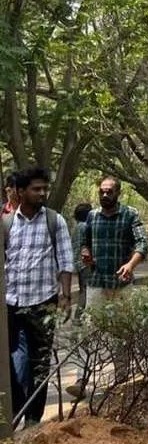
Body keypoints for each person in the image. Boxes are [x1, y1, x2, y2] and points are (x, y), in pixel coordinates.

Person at [4, 167, 74, 429]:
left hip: (43, 303)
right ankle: (14, 412)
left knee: (40, 362)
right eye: (36, 189)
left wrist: (65, 296)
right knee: (12, 362)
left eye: (45, 188)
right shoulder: (7, 224)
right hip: (11, 304)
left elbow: (66, 260)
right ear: (21, 191)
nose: (42, 193)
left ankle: (33, 420)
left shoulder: (55, 221)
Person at [72, 177, 148, 397]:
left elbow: (143, 243)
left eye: (109, 192)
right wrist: (86, 253)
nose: (105, 195)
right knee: (89, 331)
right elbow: (84, 243)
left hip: (121, 284)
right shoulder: (92, 216)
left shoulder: (130, 214)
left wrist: (130, 265)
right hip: (97, 283)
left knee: (121, 332)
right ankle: (81, 379)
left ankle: (122, 378)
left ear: (118, 193)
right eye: (102, 192)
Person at [71, 203, 92, 318]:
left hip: (78, 263)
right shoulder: (85, 227)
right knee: (86, 290)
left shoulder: (77, 227)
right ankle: (78, 317)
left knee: (82, 289)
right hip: (85, 263)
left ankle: (79, 316)